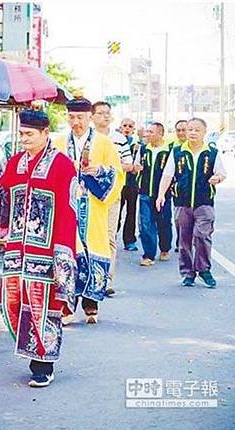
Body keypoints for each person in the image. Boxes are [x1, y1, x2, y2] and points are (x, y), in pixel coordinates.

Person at [0, 101, 77, 387]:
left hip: (47, 249)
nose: (25, 139)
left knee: (43, 304)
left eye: (30, 134)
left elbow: (68, 209)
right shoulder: (16, 161)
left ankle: (44, 362)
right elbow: (2, 195)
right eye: (22, 134)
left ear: (46, 133)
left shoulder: (61, 164)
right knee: (12, 302)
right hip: (16, 248)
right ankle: (32, 349)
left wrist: (63, 250)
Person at [54, 94, 124, 324]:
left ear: (90, 117)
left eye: (81, 117)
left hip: (93, 206)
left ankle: (90, 304)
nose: (76, 122)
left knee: (94, 251)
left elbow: (117, 174)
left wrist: (100, 171)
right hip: (67, 206)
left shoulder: (103, 143)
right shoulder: (59, 142)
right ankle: (67, 306)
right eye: (72, 117)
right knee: (68, 254)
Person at [156, 117, 227, 288]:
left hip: (204, 202)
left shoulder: (212, 153)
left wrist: (217, 178)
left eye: (197, 130)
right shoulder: (177, 151)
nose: (193, 133)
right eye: (190, 129)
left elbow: (222, 173)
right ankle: (188, 273)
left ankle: (204, 269)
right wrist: (161, 195)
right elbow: (168, 175)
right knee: (184, 240)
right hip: (182, 202)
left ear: (204, 133)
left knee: (203, 236)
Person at [91, 102, 134, 296]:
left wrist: (105, 170)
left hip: (111, 196)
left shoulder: (119, 139)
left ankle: (107, 279)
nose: (105, 116)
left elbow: (128, 164)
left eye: (108, 113)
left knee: (109, 236)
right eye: (100, 113)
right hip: (88, 196)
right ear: (92, 116)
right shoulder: (87, 138)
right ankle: (90, 276)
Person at [137, 122, 173, 266]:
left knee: (163, 222)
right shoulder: (143, 149)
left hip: (163, 194)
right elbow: (136, 166)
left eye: (151, 132)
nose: (148, 134)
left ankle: (165, 248)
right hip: (145, 192)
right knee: (145, 224)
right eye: (147, 131)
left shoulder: (170, 150)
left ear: (160, 133)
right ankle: (148, 255)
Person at [118, 118, 142, 252]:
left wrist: (136, 167)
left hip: (132, 183)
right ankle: (111, 238)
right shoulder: (115, 141)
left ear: (134, 129)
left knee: (131, 212)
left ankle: (129, 240)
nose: (127, 128)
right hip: (118, 183)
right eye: (125, 125)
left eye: (130, 126)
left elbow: (138, 164)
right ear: (120, 127)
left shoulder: (137, 145)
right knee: (115, 212)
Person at [169, 119, 188, 251]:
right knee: (179, 218)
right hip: (178, 190)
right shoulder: (172, 148)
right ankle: (180, 241)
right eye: (178, 130)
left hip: (196, 191)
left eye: (184, 130)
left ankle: (186, 242)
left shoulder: (197, 146)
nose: (181, 133)